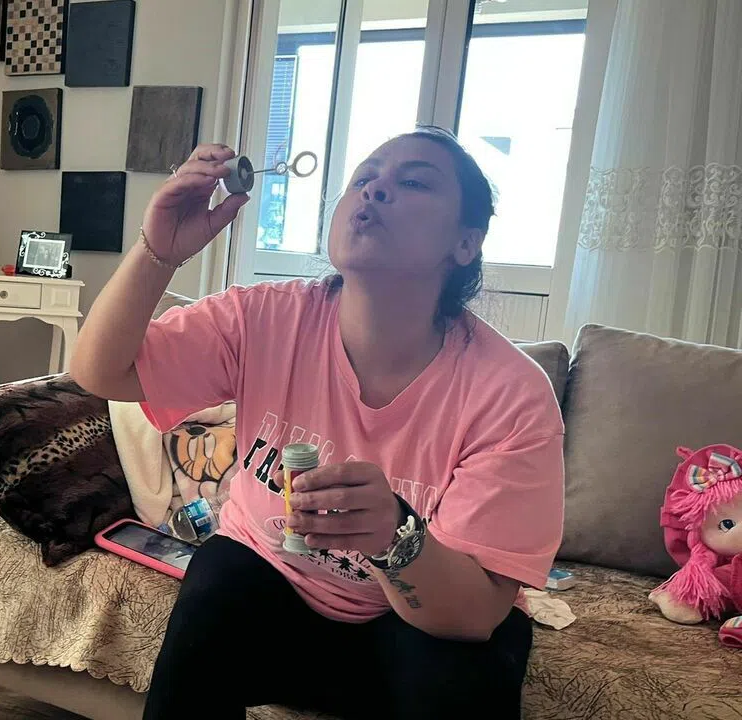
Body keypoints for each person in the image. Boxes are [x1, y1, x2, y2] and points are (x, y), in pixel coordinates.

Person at [72, 127, 564, 719]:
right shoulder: (264, 319)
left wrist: (395, 537)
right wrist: (158, 252)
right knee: (220, 574)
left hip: (418, 624)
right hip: (268, 592)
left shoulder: (510, 394)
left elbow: (475, 614)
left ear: (466, 242)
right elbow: (102, 372)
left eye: (413, 182)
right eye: (364, 178)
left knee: (463, 667)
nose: (375, 189)